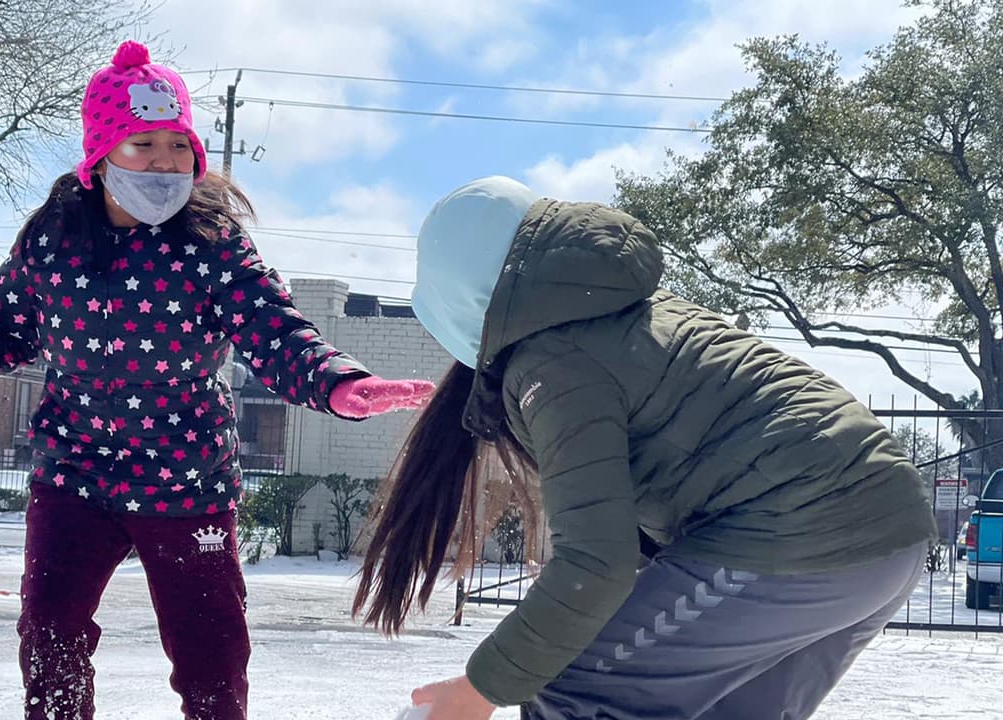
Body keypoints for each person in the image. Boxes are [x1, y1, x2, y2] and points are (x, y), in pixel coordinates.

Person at [0, 40, 434, 720]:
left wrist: (338, 383)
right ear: (101, 156)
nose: (164, 162)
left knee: (212, 656)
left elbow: (274, 328)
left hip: (187, 481)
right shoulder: (54, 241)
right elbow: (5, 326)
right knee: (50, 640)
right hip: (74, 478)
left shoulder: (212, 243)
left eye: (178, 146)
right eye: (143, 144)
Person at [352, 176, 937, 720]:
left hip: (799, 532)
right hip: (891, 533)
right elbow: (628, 554)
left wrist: (480, 692)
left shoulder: (553, 363)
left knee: (574, 690)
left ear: (462, 311)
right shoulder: (624, 315)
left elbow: (595, 562)